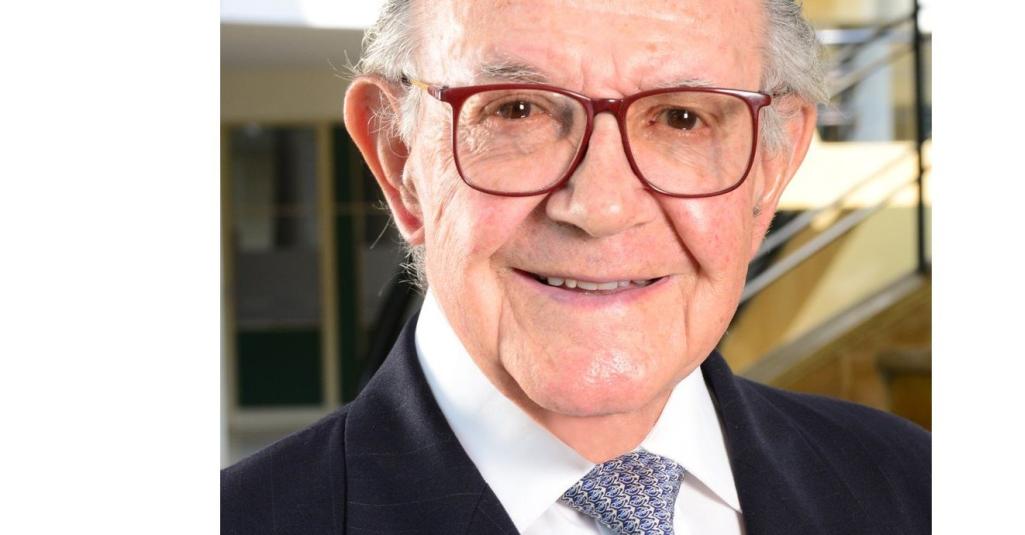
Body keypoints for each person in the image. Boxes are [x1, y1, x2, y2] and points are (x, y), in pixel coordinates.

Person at [221, 0, 931, 533]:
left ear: (770, 171)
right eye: (518, 111)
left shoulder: (917, 487)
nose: (600, 207)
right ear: (400, 161)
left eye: (682, 119)